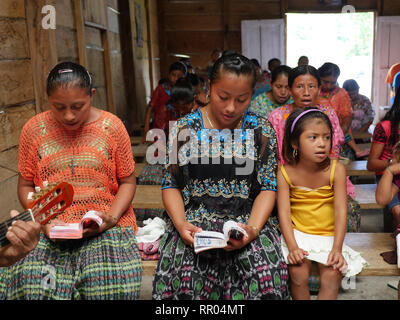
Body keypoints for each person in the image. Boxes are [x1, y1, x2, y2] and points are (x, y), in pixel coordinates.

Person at [152, 52, 290, 300]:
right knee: (188, 280)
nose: (230, 107)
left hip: (246, 219)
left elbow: (268, 186)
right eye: (223, 97)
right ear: (209, 88)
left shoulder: (261, 130)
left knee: (264, 276)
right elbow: (170, 183)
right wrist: (182, 225)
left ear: (252, 94)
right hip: (195, 220)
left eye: (242, 99)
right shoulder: (185, 128)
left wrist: (254, 230)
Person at [0, 61, 141, 300]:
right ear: (48, 100)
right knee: (30, 282)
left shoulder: (111, 126)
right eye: (59, 107)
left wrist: (112, 218)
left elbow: (127, 181)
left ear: (92, 95)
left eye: (78, 106)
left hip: (104, 227)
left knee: (107, 285)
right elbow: (25, 185)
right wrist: (44, 220)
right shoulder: (34, 130)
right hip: (50, 227)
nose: (69, 115)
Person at [278, 107, 368, 300]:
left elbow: (341, 212)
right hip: (297, 234)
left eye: (326, 137)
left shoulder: (337, 170)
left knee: (332, 274)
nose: (322, 144)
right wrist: (293, 247)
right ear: (295, 142)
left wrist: (337, 248)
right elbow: (284, 213)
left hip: (329, 235)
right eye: (313, 137)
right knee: (298, 273)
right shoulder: (285, 172)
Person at [136, 77, 198, 222]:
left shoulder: (200, 115)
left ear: (193, 101)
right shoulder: (169, 113)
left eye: (185, 108)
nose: (182, 112)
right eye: (179, 108)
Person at [317, 62, 369, 160]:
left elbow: (347, 115)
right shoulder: (313, 91)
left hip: (339, 130)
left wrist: (341, 130)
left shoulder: (341, 93)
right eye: (325, 82)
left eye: (332, 83)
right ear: (319, 77)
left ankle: (356, 150)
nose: (328, 86)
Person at [367, 89, 400, 231]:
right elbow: (371, 164)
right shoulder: (385, 127)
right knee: (397, 211)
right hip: (389, 175)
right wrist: (393, 165)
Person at [143, 61, 187, 142]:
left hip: (177, 130)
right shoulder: (160, 89)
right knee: (159, 152)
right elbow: (150, 108)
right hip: (160, 127)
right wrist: (146, 129)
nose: (176, 78)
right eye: (173, 75)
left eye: (179, 76)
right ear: (168, 75)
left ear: (184, 77)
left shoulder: (184, 91)